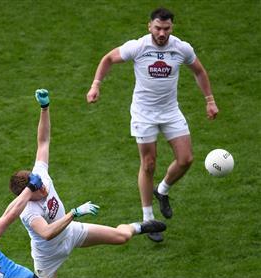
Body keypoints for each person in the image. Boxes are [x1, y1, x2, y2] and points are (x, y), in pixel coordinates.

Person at [9, 89, 166, 278]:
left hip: (72, 233)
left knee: (120, 238)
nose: (42, 189)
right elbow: (47, 233)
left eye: (40, 184)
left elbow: (43, 141)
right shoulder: (27, 212)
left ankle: (140, 225)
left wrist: (45, 108)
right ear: (25, 195)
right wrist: (74, 213)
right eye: (36, 189)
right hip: (48, 257)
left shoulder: (39, 174)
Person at [86, 7, 219, 242]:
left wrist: (210, 100)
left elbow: (198, 71)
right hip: (143, 114)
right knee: (148, 164)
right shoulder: (138, 47)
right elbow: (108, 58)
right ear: (149, 26)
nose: (161, 33)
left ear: (172, 28)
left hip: (170, 112)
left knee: (186, 159)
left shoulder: (181, 48)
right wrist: (96, 85)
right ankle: (148, 220)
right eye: (157, 28)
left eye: (166, 29)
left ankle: (163, 190)